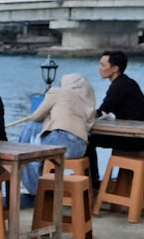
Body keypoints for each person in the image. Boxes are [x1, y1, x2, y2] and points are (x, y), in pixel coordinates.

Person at [16, 74, 98, 204]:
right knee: (35, 140)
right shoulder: (86, 101)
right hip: (80, 148)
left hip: (61, 143)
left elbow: (37, 116)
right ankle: (38, 181)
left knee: (29, 141)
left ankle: (35, 189)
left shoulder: (58, 92)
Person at [88, 50, 144, 176]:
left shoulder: (119, 86)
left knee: (87, 139)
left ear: (115, 68)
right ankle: (93, 179)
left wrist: (80, 117)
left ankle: (92, 180)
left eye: (103, 65)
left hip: (136, 138)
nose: (99, 68)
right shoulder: (127, 82)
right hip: (143, 135)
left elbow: (103, 111)